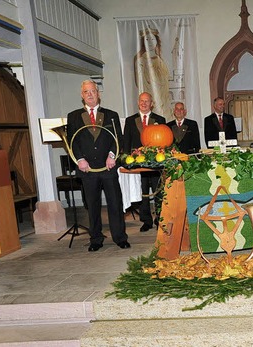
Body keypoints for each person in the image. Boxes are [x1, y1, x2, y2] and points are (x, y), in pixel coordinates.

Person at [67, 80, 129, 251]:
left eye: (93, 91)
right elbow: (72, 142)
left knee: (115, 203)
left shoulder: (111, 115)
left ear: (98, 93)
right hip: (88, 170)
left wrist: (111, 155)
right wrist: (79, 159)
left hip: (108, 168)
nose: (90, 94)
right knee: (92, 205)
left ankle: (120, 237)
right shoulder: (73, 116)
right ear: (82, 95)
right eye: (86, 92)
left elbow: (118, 139)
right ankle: (96, 239)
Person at [123, 92, 166, 232]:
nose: (144, 103)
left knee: (158, 192)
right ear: (138, 102)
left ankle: (160, 218)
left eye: (147, 101)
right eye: (142, 101)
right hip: (137, 164)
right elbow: (126, 143)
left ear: (151, 103)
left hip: (155, 165)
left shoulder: (160, 119)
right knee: (142, 193)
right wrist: (127, 160)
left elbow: (164, 143)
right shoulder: (130, 121)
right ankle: (146, 220)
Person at [134, 27, 172, 117]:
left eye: (152, 39)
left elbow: (166, 80)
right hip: (150, 96)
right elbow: (140, 81)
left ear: (156, 41)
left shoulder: (160, 61)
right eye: (147, 39)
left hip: (163, 99)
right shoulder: (141, 61)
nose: (150, 42)